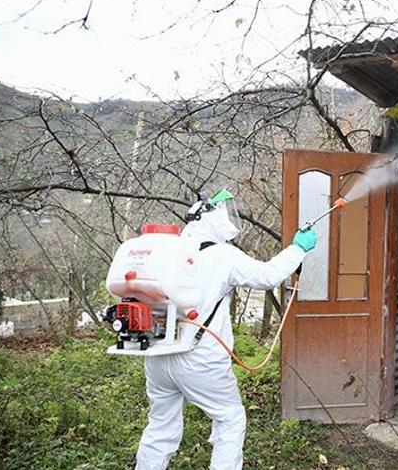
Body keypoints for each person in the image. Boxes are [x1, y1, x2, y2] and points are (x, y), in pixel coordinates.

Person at [135, 190, 317, 470]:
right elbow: (266, 276)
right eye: (226, 213)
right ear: (211, 218)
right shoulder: (222, 255)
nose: (230, 218)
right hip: (200, 357)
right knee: (230, 419)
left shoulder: (167, 251)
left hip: (158, 353)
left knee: (160, 428)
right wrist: (298, 249)